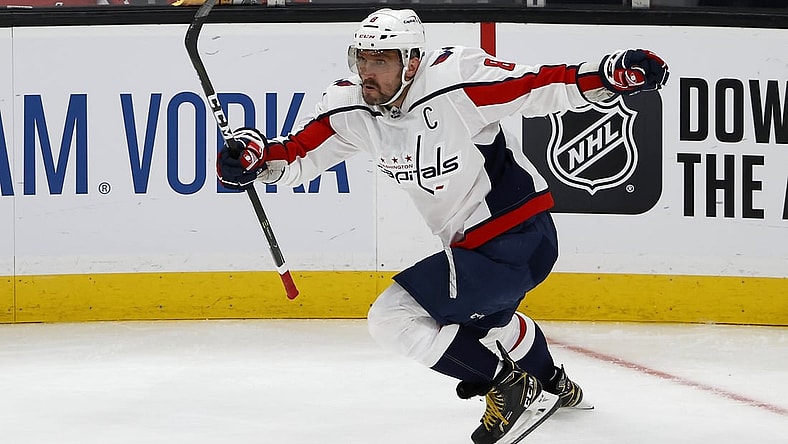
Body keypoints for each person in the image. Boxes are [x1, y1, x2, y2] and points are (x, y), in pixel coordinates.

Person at [217, 8, 669, 444]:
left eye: (381, 61)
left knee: (392, 319)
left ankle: (507, 386)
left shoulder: (455, 81)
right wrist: (253, 158)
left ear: (412, 62)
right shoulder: (352, 107)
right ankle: (553, 383)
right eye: (362, 59)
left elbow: (540, 84)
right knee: (488, 328)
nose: (367, 72)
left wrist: (608, 74)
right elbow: (296, 153)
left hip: (516, 236)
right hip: (478, 249)